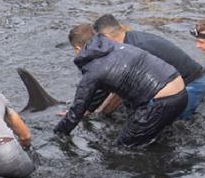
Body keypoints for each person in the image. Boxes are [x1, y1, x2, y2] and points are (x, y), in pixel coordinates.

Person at [53, 24, 187, 147]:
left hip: (161, 101)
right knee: (152, 135)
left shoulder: (93, 69)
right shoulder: (114, 46)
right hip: (180, 89)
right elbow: (102, 88)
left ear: (77, 48)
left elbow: (78, 107)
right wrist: (87, 110)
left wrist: (58, 134)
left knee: (123, 147)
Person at [94, 14, 205, 119]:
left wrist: (100, 115)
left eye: (99, 40)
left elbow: (120, 92)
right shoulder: (130, 38)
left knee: (165, 123)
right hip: (184, 79)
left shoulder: (133, 50)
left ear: (106, 36)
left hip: (192, 84)